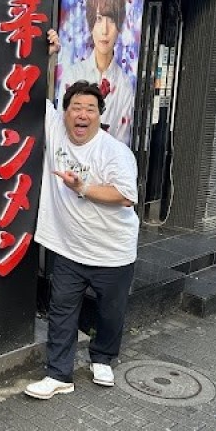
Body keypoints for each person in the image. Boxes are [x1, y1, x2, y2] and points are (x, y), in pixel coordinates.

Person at [25, 65, 139, 399]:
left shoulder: (114, 152)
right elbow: (40, 90)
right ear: (65, 112)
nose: (82, 114)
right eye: (76, 107)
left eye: (90, 108)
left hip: (112, 251)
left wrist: (83, 187)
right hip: (69, 248)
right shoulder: (56, 129)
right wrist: (51, 52)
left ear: (99, 116)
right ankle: (59, 374)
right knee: (61, 312)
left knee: (110, 311)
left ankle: (102, 357)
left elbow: (125, 195)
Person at [55, 0, 134, 145]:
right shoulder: (73, 74)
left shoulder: (124, 85)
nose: (105, 30)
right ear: (91, 23)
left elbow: (121, 143)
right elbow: (60, 130)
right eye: (98, 19)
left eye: (111, 20)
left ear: (119, 26)